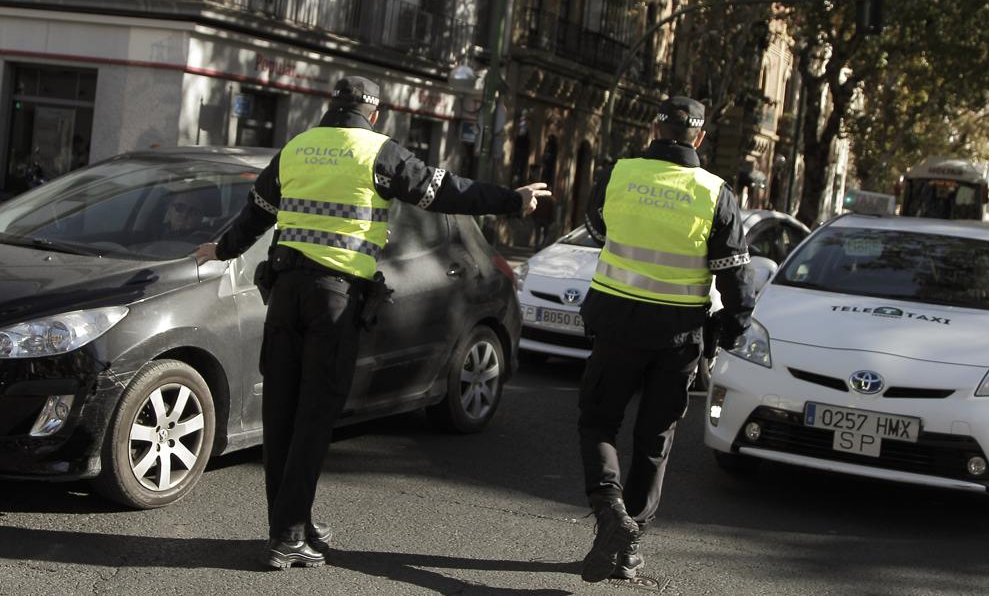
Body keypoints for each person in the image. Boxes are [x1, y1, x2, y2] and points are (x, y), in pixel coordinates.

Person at [194, 76, 550, 570]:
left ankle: (293, 521)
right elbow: (446, 191)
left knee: (282, 415)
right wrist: (512, 200)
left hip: (285, 296)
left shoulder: (296, 149)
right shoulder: (379, 153)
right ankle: (288, 537)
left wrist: (223, 250)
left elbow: (256, 214)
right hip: (334, 301)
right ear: (375, 115)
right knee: (316, 418)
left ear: (331, 106)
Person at [576, 97, 754, 583]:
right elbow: (736, 276)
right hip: (678, 335)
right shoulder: (715, 192)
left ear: (654, 128)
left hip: (616, 323)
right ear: (699, 138)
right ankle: (627, 548)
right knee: (654, 440)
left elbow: (596, 228)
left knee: (598, 423)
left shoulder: (619, 173)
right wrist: (733, 332)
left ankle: (611, 513)